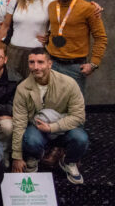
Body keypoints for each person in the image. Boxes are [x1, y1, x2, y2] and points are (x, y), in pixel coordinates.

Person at [11, 49, 88, 184]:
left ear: (50, 64)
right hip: (38, 129)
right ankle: (34, 159)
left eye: (40, 62)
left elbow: (79, 116)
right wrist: (17, 156)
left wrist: (52, 127)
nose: (36, 67)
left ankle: (68, 162)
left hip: (63, 127)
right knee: (30, 140)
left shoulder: (69, 83)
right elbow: (19, 122)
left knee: (81, 139)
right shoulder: (22, 88)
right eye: (32, 62)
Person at [45, 0, 108, 95]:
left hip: (75, 67)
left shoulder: (89, 8)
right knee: (52, 103)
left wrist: (94, 63)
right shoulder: (51, 6)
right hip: (52, 64)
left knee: (75, 107)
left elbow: (100, 38)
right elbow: (56, 29)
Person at [0, 0, 57, 78]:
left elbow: (71, 8)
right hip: (14, 52)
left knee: (35, 87)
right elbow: (5, 26)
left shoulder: (52, 1)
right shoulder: (15, 0)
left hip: (38, 53)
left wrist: (93, 6)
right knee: (12, 85)